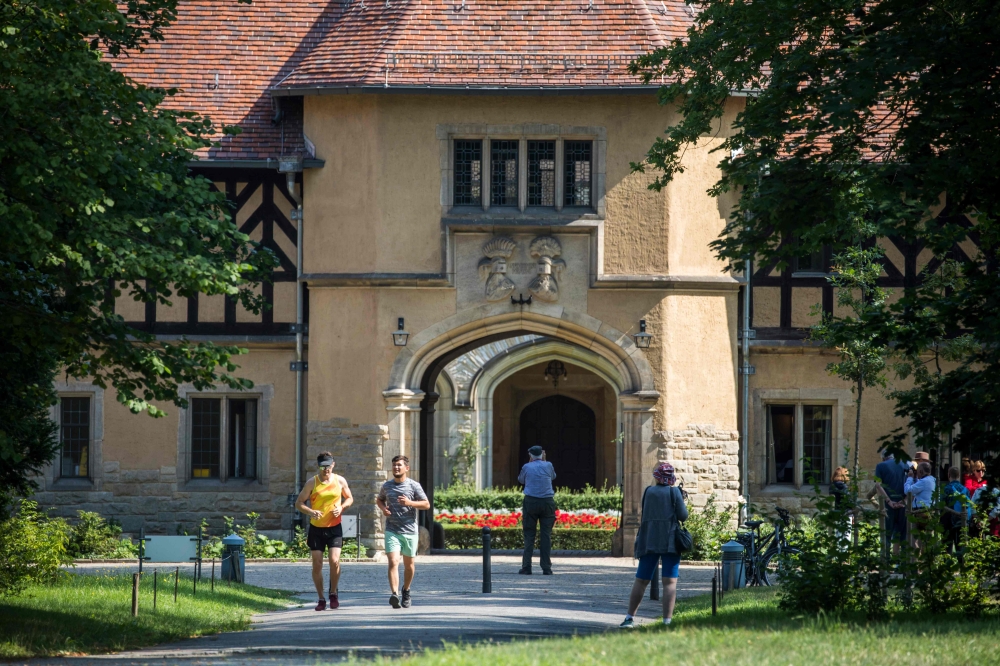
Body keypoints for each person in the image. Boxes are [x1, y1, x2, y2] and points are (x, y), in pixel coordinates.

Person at [620, 462, 688, 629]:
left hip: (648, 539)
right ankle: (667, 621)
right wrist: (680, 497)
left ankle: (629, 618)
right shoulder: (674, 493)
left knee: (641, 580)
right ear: (671, 479)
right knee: (670, 582)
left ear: (656, 477)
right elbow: (683, 516)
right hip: (670, 540)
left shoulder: (648, 491)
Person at [295, 451, 354, 611]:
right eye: (322, 467)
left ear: (333, 465)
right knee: (317, 564)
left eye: (328, 466)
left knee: (334, 561)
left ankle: (333, 593)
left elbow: (349, 498)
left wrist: (341, 507)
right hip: (316, 529)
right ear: (318, 466)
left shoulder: (340, 480)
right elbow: (299, 503)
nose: (325, 470)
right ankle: (321, 598)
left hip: (334, 527)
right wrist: (310, 512)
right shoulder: (312, 483)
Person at [377, 455, 429, 609]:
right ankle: (394, 595)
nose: (396, 468)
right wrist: (383, 509)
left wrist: (410, 503)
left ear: (407, 468)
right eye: (394, 465)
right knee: (393, 562)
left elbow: (426, 504)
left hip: (409, 531)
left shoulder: (414, 486)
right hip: (392, 530)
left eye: (399, 465)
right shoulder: (387, 486)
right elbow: (379, 499)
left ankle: (406, 590)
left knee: (409, 565)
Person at [517, 445, 557, 575]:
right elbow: (553, 477)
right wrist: (544, 460)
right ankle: (546, 567)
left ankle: (527, 566)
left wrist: (530, 463)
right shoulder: (548, 465)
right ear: (542, 454)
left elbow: (521, 480)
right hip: (547, 502)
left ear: (530, 455)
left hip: (531, 502)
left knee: (529, 535)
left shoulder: (526, 467)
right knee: (546, 535)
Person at [874, 451, 908, 551]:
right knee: (904, 535)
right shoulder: (905, 464)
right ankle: (905, 563)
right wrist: (904, 501)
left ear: (883, 458)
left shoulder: (880, 466)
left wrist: (889, 501)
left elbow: (878, 485)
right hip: (903, 505)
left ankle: (886, 562)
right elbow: (911, 484)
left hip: (888, 505)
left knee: (887, 536)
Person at [941, 466, 971, 559]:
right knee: (960, 546)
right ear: (958, 476)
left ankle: (946, 569)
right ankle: (962, 568)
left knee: (947, 547)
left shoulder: (946, 488)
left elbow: (942, 504)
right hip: (961, 521)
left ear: (948, 475)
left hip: (948, 521)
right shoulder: (965, 489)